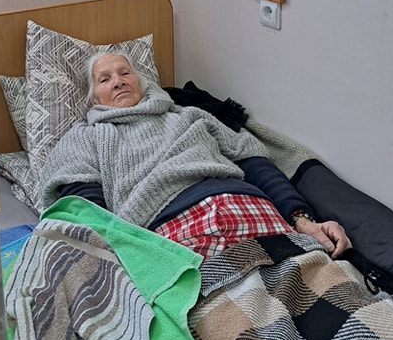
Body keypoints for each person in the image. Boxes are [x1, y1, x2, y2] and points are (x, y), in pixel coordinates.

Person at [40, 52, 351, 259]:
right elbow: (86, 210)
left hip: (248, 207)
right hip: (170, 228)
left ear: (141, 83)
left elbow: (253, 161)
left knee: (325, 286)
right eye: (105, 79)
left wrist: (302, 219)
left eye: (125, 73)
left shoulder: (186, 115)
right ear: (93, 99)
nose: (119, 81)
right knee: (235, 319)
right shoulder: (85, 137)